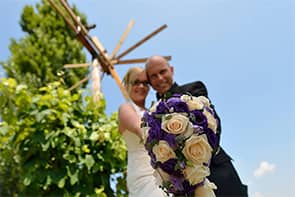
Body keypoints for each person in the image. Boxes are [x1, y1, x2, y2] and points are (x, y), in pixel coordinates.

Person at [145, 55, 248, 197]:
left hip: (217, 172)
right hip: (183, 186)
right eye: (154, 76)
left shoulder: (193, 89)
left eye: (163, 72)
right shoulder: (151, 115)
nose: (160, 78)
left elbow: (214, 126)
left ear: (171, 70)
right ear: (150, 81)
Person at [118, 66, 165, 197]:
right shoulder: (126, 109)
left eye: (145, 83)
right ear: (127, 85)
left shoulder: (154, 110)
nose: (141, 86)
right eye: (136, 82)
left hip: (165, 171)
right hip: (144, 175)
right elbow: (141, 130)